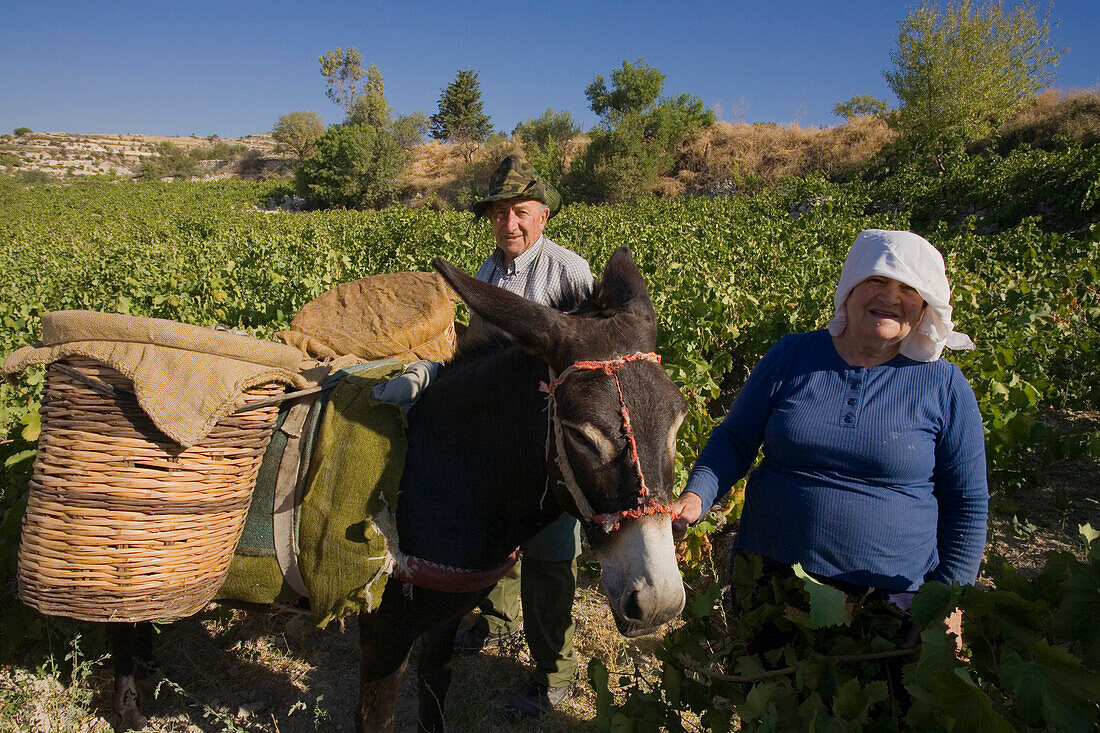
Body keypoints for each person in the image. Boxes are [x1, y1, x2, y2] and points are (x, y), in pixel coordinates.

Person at [671, 229, 988, 647]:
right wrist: (695, 498)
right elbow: (734, 440)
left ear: (925, 304)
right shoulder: (792, 355)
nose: (890, 297)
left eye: (908, 288)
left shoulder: (944, 385)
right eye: (877, 281)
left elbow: (967, 504)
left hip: (889, 601)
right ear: (851, 286)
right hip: (774, 582)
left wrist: (949, 602)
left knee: (880, 706)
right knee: (771, 701)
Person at [454, 155, 593, 719]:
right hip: (498, 436)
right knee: (500, 536)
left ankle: (555, 675)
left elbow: (595, 360)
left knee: (551, 555)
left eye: (521, 212)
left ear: (544, 215)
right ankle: (496, 619)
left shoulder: (568, 272)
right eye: (499, 213)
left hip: (550, 439)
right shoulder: (485, 275)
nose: (509, 223)